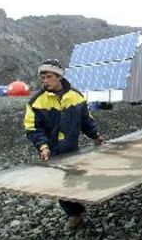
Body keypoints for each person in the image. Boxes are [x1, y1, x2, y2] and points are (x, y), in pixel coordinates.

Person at [23, 59, 103, 230]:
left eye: (49, 77)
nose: (45, 81)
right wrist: (43, 147)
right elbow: (32, 128)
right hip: (52, 151)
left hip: (72, 148)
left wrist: (95, 136)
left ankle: (78, 206)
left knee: (75, 178)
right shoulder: (36, 102)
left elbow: (86, 120)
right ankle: (74, 215)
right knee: (62, 184)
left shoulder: (76, 96)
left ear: (59, 76)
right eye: (42, 78)